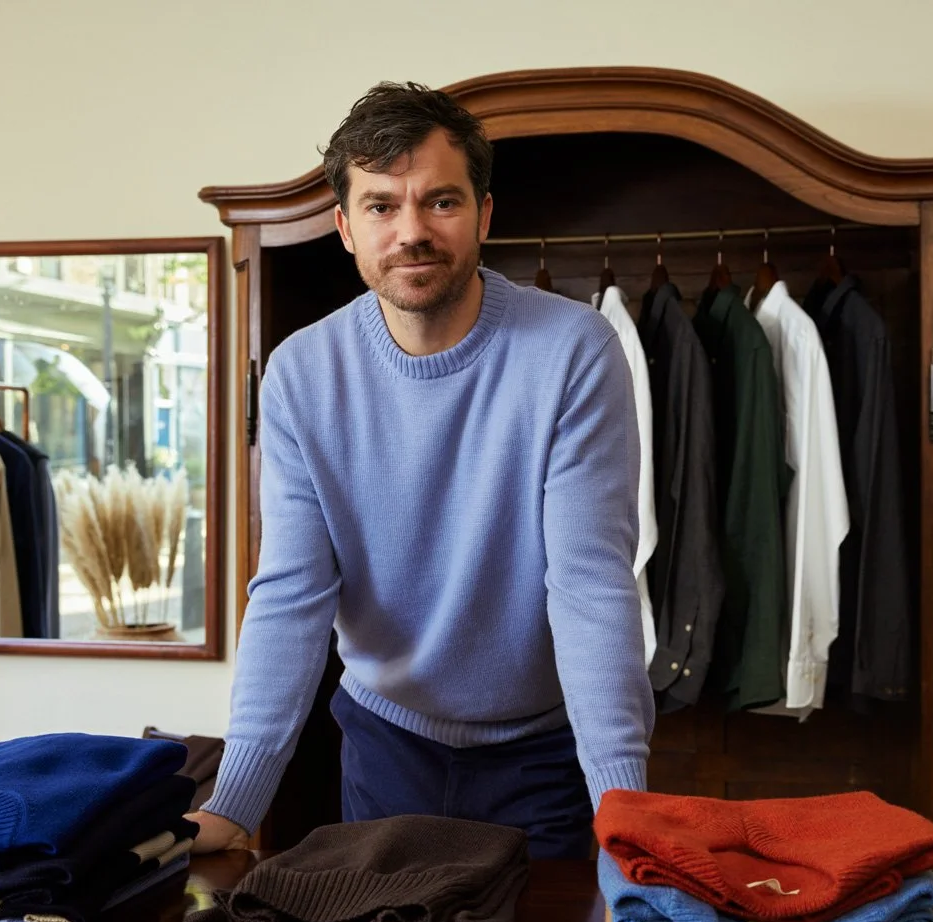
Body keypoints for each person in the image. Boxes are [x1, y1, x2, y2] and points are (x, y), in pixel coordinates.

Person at [185, 81, 654, 860]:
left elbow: (590, 583)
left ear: (485, 214)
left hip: (543, 756)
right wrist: (236, 801)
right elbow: (291, 593)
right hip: (383, 745)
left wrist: (624, 804)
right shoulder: (302, 373)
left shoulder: (574, 351)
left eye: (441, 202)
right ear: (344, 227)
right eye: (381, 207)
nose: (412, 231)